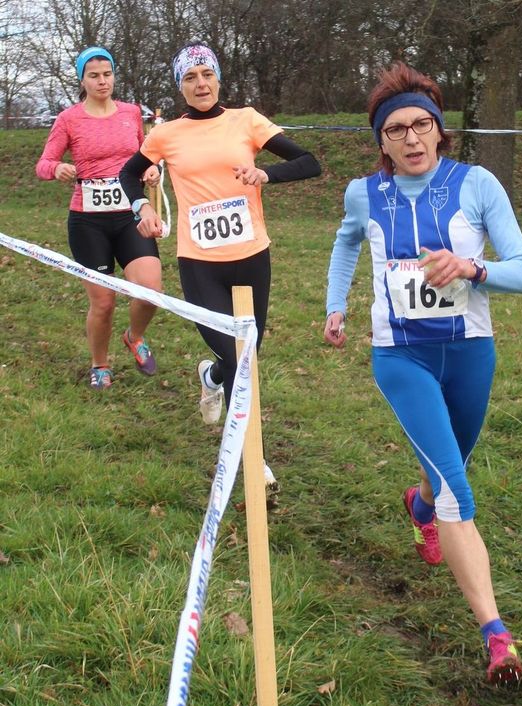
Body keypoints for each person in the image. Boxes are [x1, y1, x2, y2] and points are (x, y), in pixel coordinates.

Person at [322, 62, 522, 684]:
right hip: (402, 356)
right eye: (396, 130)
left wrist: (471, 269)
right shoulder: (364, 193)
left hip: (470, 352)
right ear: (381, 141)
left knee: (448, 468)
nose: (411, 138)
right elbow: (345, 242)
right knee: (457, 490)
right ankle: (497, 635)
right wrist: (337, 304)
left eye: (422, 125)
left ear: (440, 131)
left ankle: (419, 507)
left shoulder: (477, 185)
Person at [120, 42, 320, 427]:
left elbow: (308, 163)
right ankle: (250, 458)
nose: (200, 84)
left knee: (247, 355)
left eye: (207, 74)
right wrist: (141, 207)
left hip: (251, 256)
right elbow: (129, 174)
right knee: (238, 357)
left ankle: (210, 377)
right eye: (190, 77)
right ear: (180, 86)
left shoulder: (246, 120)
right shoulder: (166, 134)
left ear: (218, 79)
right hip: (200, 262)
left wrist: (266, 174)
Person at [36, 47, 163, 389]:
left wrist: (150, 170)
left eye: (107, 74)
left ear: (114, 76)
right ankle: (100, 365)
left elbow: (144, 156)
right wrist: (58, 167)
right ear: (82, 80)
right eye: (93, 75)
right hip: (88, 221)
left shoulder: (131, 113)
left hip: (130, 215)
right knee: (104, 302)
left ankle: (134, 336)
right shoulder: (69, 119)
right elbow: (43, 163)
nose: (102, 81)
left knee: (150, 289)